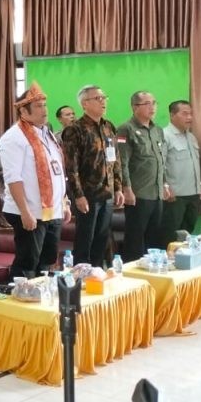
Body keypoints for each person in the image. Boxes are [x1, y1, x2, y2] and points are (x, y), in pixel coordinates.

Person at [0, 83, 71, 279]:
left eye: (45, 104)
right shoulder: (14, 138)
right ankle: (20, 303)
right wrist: (25, 212)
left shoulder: (46, 134)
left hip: (51, 210)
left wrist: (64, 203)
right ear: (23, 110)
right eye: (38, 106)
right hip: (30, 212)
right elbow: (13, 178)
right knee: (27, 262)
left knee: (47, 261)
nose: (44, 110)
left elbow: (57, 172)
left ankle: (41, 299)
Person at [62, 86, 124, 267]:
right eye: (97, 98)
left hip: (107, 192)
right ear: (84, 104)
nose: (103, 101)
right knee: (85, 240)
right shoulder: (75, 130)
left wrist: (118, 187)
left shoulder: (108, 126)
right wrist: (78, 195)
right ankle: (81, 277)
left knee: (102, 239)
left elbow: (115, 160)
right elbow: (71, 167)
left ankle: (97, 274)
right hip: (87, 195)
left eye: (104, 97)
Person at [116, 91, 167, 262]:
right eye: (147, 103)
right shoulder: (126, 129)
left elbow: (161, 161)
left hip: (157, 192)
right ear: (134, 107)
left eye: (154, 102)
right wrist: (127, 188)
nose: (152, 107)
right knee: (135, 240)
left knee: (155, 238)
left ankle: (153, 270)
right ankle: (132, 276)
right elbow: (122, 161)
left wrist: (165, 184)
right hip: (138, 194)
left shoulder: (157, 129)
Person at [161, 100, 201, 243]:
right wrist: (165, 186)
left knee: (188, 231)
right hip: (175, 195)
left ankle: (183, 261)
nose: (190, 118)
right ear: (172, 115)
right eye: (185, 114)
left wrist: (200, 185)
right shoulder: (164, 135)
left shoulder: (191, 137)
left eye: (191, 114)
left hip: (193, 193)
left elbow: (194, 164)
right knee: (170, 233)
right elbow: (160, 164)